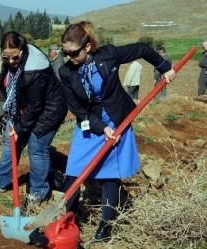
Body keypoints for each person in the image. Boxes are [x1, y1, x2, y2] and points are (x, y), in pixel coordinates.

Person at [59, 21, 175, 241]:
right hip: (90, 122)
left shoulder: (108, 55)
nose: (69, 57)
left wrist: (164, 67)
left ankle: (105, 227)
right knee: (73, 173)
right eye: (65, 52)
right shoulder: (66, 71)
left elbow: (141, 48)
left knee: (108, 176)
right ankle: (69, 221)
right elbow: (75, 106)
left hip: (116, 120)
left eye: (73, 52)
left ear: (87, 47)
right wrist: (100, 128)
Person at [0, 31, 68, 205]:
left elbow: (34, 107)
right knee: (10, 142)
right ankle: (1, 180)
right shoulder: (10, 61)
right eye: (6, 57)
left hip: (48, 112)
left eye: (14, 57)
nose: (11, 62)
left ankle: (39, 190)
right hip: (22, 109)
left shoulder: (34, 68)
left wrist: (19, 128)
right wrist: (15, 124)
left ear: (22, 49)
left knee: (36, 149)